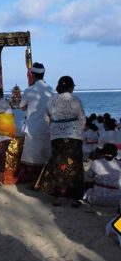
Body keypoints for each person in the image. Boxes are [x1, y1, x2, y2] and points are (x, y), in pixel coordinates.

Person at [38, 76, 86, 207]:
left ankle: (57, 197)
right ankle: (74, 198)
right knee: (75, 166)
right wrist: (78, 132)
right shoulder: (76, 99)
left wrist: (54, 129)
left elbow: (46, 118)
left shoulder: (51, 100)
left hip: (57, 137)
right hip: (74, 137)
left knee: (58, 165)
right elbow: (82, 118)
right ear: (71, 87)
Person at [19, 62, 55, 182]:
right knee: (46, 156)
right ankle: (44, 181)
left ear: (32, 75)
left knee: (33, 159)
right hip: (47, 128)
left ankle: (35, 182)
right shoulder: (51, 90)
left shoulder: (29, 90)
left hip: (33, 129)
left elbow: (22, 106)